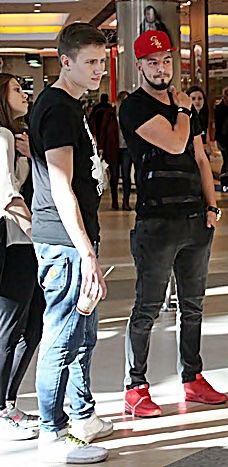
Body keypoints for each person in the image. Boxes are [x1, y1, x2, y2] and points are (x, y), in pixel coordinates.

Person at [119, 29, 226, 418]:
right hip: (156, 223)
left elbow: (199, 157)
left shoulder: (183, 108)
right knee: (147, 307)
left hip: (195, 220)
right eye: (152, 62)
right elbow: (175, 142)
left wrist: (212, 207)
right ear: (140, 66)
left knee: (193, 306)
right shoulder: (134, 107)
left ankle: (192, 378)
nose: (161, 69)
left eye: (166, 61)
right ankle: (136, 385)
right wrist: (183, 109)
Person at [29, 23, 112, 464]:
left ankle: (81, 414)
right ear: (65, 62)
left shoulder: (69, 105)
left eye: (102, 62)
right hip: (64, 242)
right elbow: (61, 186)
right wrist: (85, 250)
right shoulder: (59, 109)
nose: (99, 70)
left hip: (74, 238)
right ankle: (53, 430)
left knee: (82, 333)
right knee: (62, 335)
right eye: (90, 62)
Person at [0, 73, 44, 441]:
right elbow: (9, 197)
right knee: (11, 325)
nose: (24, 94)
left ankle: (8, 401)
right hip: (14, 242)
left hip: (21, 242)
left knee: (31, 325)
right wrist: (40, 239)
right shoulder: (1, 136)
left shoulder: (15, 137)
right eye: (16, 89)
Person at [89, 93, 121, 209]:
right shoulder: (109, 112)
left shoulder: (97, 110)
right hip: (111, 146)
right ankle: (116, 200)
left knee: (108, 172)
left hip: (106, 145)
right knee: (115, 173)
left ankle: (113, 199)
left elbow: (96, 127)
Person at [116, 90, 133, 210]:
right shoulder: (114, 116)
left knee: (127, 175)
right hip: (116, 148)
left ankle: (125, 201)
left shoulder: (131, 115)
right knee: (117, 175)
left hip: (128, 148)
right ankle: (117, 200)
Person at [186, 85, 211, 158]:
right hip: (190, 154)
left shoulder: (204, 116)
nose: (197, 101)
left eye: (200, 98)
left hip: (203, 153)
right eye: (193, 99)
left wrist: (208, 146)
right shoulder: (186, 117)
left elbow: (206, 132)